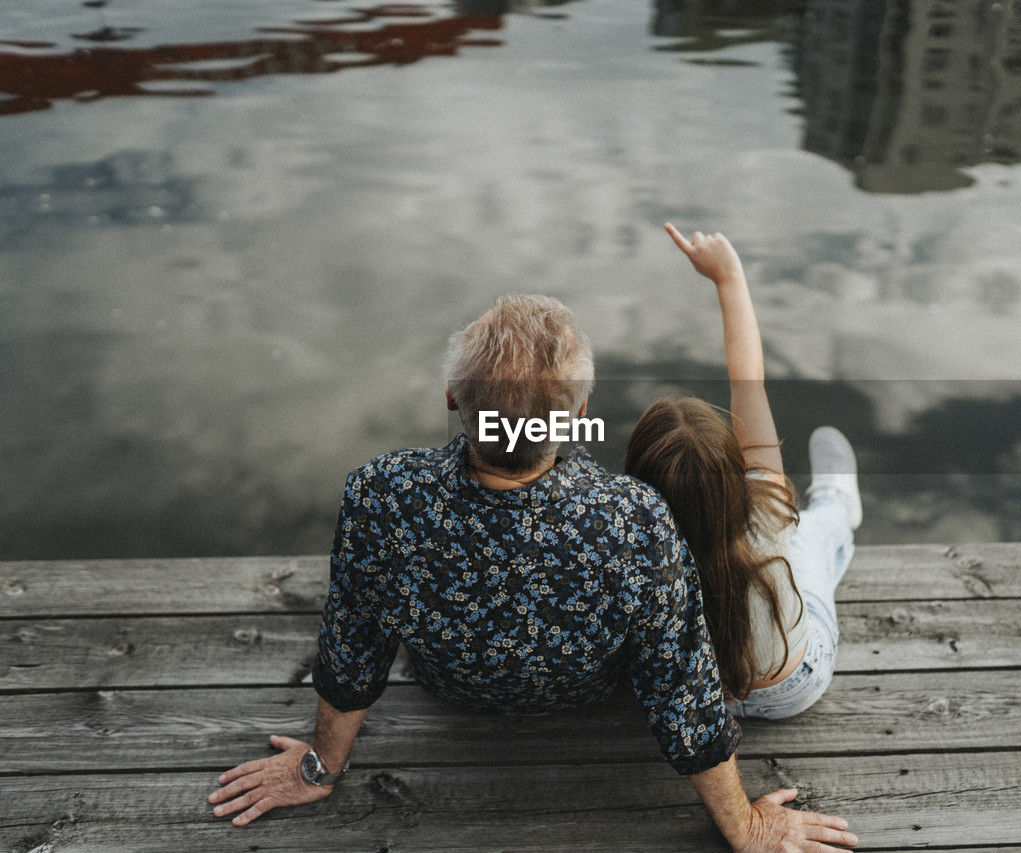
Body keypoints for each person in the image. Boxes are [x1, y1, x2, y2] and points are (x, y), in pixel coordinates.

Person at [207, 292, 859, 851]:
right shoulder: (634, 518)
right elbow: (681, 691)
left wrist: (318, 769)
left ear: (451, 397)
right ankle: (837, 507)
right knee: (802, 539)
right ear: (576, 416)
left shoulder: (381, 495)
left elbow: (354, 651)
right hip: (588, 695)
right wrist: (744, 825)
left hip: (453, 691)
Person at [625, 224, 862, 719]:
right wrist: (728, 277)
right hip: (795, 686)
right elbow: (747, 385)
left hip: (704, 702)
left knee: (794, 550)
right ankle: (838, 501)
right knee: (810, 538)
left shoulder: (629, 547)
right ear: (734, 472)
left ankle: (835, 508)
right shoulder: (766, 512)